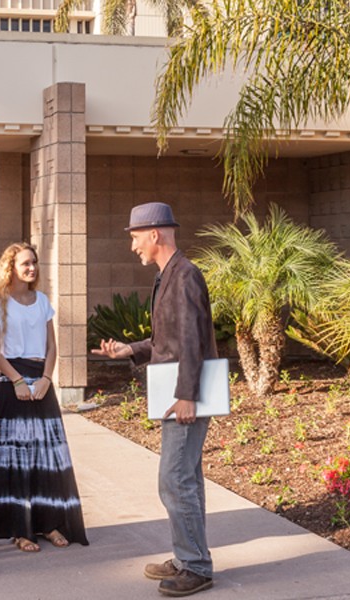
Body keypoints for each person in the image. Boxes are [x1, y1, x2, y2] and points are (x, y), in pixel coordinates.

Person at [92, 202, 217, 597]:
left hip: (182, 398)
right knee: (186, 480)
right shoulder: (169, 276)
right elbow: (169, 341)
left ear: (155, 234)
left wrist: (186, 397)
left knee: (174, 481)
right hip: (175, 393)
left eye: (134, 237)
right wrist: (129, 349)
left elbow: (194, 343)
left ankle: (195, 567)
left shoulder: (185, 276)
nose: (132, 247)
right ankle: (188, 558)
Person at [0, 242, 89, 552]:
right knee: (16, 460)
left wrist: (46, 379)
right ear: (11, 268)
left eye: (34, 263)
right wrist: (17, 381)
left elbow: (52, 347)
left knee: (46, 457)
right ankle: (21, 528)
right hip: (11, 383)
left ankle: (51, 524)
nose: (32, 268)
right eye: (25, 263)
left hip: (41, 384)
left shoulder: (43, 301)